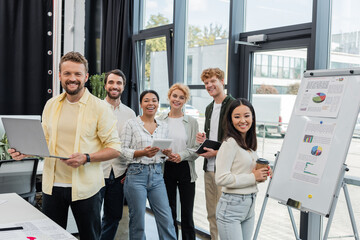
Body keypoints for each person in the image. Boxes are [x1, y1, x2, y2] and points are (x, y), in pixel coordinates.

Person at [9, 51, 121, 240]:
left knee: (90, 237)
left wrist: (86, 158)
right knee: (52, 238)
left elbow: (115, 148)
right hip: (52, 186)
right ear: (59, 75)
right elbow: (42, 141)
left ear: (85, 77)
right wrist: (24, 152)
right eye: (67, 73)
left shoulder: (100, 107)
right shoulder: (51, 105)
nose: (72, 79)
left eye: (77, 74)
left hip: (86, 189)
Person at [120, 90, 177, 240]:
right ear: (141, 104)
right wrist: (142, 153)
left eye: (154, 100)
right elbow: (122, 151)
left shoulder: (163, 126)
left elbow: (163, 155)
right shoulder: (131, 124)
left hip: (157, 175)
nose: (150, 103)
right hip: (136, 175)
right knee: (138, 221)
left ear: (158, 104)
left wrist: (167, 153)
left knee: (166, 219)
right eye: (146, 100)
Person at [215, 98, 272, 240]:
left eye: (246, 116)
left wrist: (261, 173)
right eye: (237, 116)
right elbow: (221, 178)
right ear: (230, 120)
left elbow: (244, 172)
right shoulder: (229, 143)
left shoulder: (248, 142)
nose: (242, 120)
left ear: (252, 117)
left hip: (249, 206)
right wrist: (254, 177)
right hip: (231, 207)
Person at [196, 67, 235, 240]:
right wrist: (202, 138)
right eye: (206, 83)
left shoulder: (234, 106)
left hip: (225, 169)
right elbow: (213, 134)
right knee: (211, 212)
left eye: (213, 81)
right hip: (209, 169)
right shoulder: (209, 108)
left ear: (222, 81)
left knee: (225, 214)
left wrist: (217, 152)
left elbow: (238, 142)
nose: (209, 85)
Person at [157, 83, 199, 240]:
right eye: (174, 96)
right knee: (169, 211)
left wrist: (181, 155)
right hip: (165, 169)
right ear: (169, 97)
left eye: (182, 97)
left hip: (185, 169)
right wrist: (164, 153)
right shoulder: (159, 120)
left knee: (187, 213)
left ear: (185, 100)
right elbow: (156, 145)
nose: (177, 100)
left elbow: (196, 149)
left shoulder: (192, 122)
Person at [100, 69, 136, 240]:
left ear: (123, 86)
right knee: (91, 215)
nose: (115, 86)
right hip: (97, 171)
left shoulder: (130, 114)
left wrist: (128, 170)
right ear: (106, 85)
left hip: (120, 173)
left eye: (119, 83)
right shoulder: (96, 109)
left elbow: (132, 145)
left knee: (113, 216)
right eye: (111, 82)